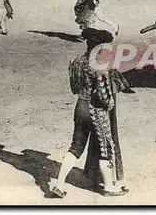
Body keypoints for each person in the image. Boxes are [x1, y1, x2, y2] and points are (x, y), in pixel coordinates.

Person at [51, 28, 129, 198]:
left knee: (76, 147)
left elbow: (74, 87)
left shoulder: (77, 61)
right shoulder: (99, 63)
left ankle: (59, 184)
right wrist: (109, 104)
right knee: (105, 148)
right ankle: (109, 186)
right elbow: (103, 92)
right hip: (95, 109)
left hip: (80, 105)